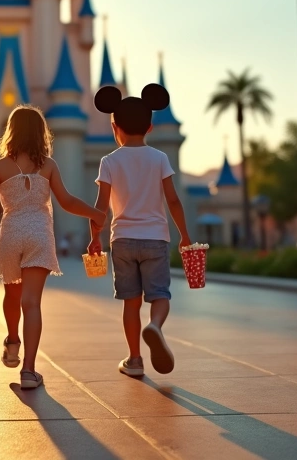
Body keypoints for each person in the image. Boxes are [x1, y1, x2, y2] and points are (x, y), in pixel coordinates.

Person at [0, 106, 106, 390]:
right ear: (41, 133)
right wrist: (94, 213)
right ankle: (28, 371)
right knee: (31, 303)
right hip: (39, 234)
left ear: (10, 131)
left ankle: (13, 340)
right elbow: (67, 201)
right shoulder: (48, 165)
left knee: (12, 295)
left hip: (11, 235)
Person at [88, 84, 192, 378]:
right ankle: (155, 326)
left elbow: (100, 207)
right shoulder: (159, 158)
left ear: (114, 126)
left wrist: (94, 237)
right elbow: (172, 199)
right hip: (155, 238)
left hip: (122, 240)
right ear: (150, 126)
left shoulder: (109, 161)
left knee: (130, 302)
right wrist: (184, 235)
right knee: (159, 295)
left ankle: (134, 360)